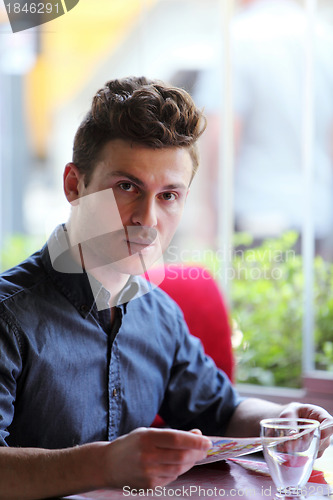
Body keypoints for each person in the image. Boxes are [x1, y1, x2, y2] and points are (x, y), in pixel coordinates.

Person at [0, 76, 332, 500]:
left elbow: (223, 411)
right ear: (73, 185)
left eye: (169, 195)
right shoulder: (8, 317)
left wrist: (283, 419)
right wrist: (103, 464)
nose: (148, 219)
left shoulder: (160, 315)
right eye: (126, 187)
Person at [195, 0, 333, 256]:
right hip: (317, 217)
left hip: (256, 220)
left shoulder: (238, 37)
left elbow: (222, 136)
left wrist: (211, 216)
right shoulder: (323, 36)